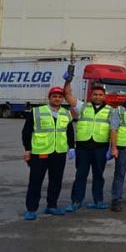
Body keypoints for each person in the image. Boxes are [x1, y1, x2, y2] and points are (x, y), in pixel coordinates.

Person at [22, 85, 75, 220]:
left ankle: (52, 205)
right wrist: (27, 149)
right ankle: (31, 209)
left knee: (56, 181)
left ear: (62, 98)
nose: (57, 99)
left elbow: (69, 132)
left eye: (59, 97)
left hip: (59, 153)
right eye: (54, 96)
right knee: (35, 181)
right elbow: (27, 132)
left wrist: (71, 147)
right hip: (40, 152)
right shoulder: (37, 111)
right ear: (49, 98)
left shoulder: (66, 113)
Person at [66, 85, 111, 212]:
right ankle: (76, 201)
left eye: (100, 94)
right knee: (80, 175)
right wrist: (68, 81)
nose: (97, 97)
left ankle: (98, 201)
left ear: (104, 96)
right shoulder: (83, 107)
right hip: (83, 149)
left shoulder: (111, 111)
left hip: (101, 149)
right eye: (95, 94)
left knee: (98, 176)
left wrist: (112, 148)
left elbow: (114, 130)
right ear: (91, 96)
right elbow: (68, 95)